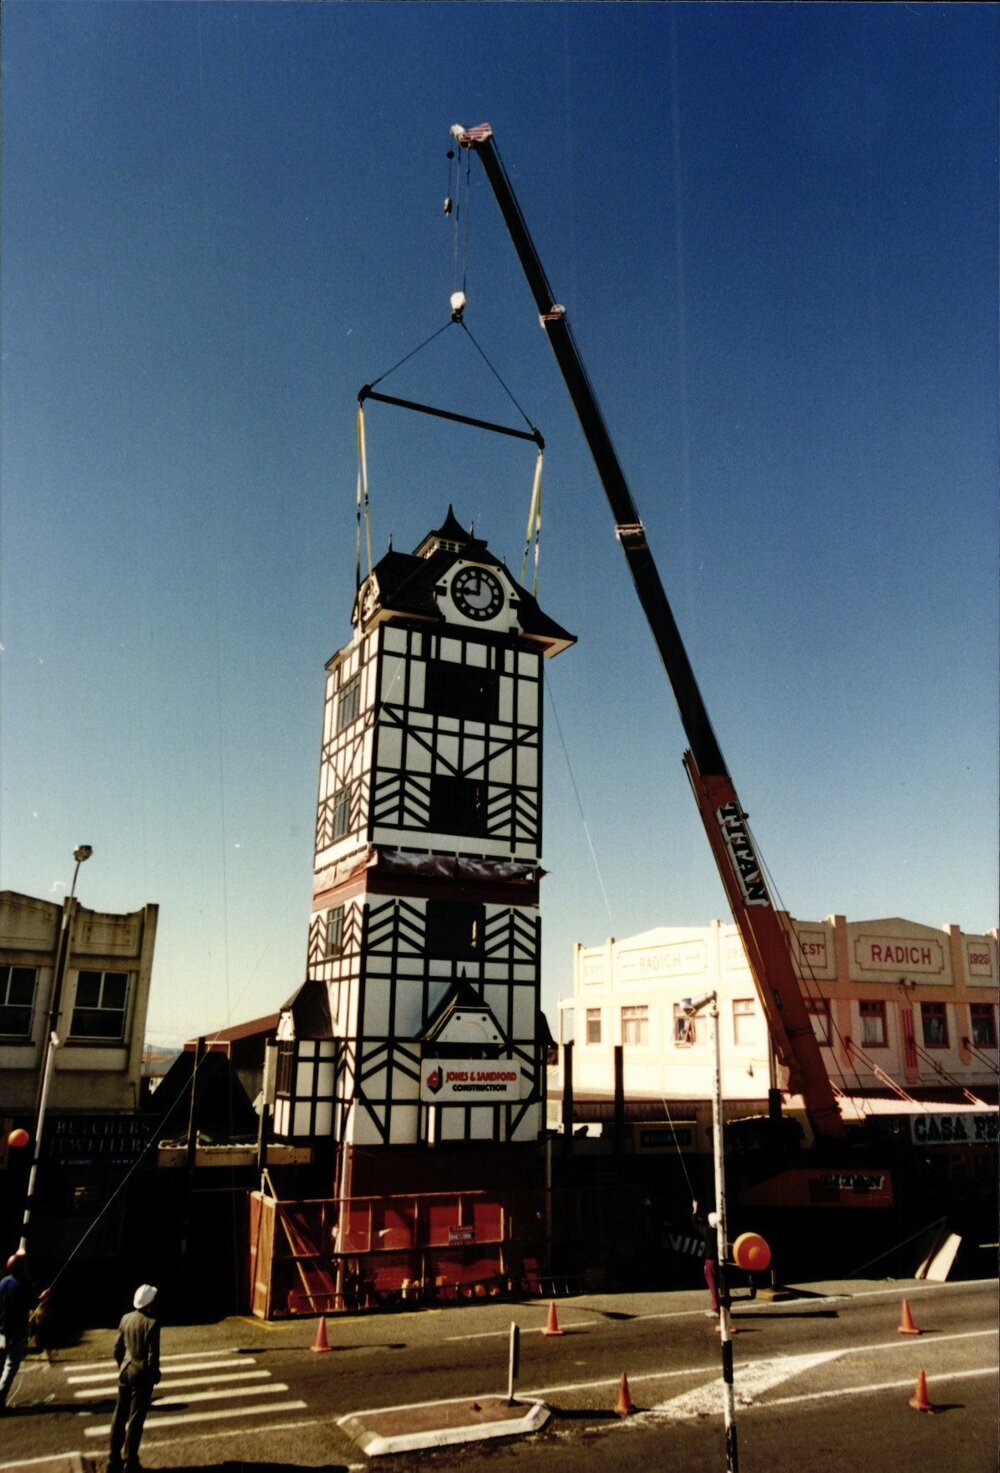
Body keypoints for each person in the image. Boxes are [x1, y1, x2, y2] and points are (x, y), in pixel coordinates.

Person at [109, 1284, 161, 1473]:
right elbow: (152, 1356)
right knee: (135, 1420)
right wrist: (155, 1374)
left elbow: (117, 1349)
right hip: (141, 1375)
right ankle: (130, 1461)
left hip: (125, 1371)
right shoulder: (152, 1323)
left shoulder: (125, 1318)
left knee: (119, 1415)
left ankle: (113, 1458)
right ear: (150, 1302)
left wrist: (121, 1367)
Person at [0, 1251, 32, 1412]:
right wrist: (43, 1297)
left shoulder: (3, 1282)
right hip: (16, 1333)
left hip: (1, 1331)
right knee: (11, 1366)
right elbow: (33, 1303)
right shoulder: (23, 1285)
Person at [692, 1199, 720, 1314]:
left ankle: (715, 1308)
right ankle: (719, 1307)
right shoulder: (718, 1231)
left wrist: (695, 1210)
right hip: (717, 1260)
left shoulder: (708, 1232)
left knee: (712, 1284)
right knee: (716, 1283)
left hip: (710, 1260)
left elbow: (695, 1224)